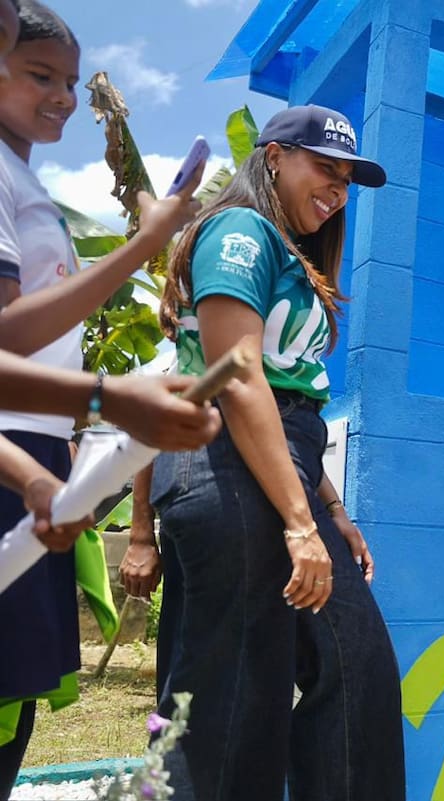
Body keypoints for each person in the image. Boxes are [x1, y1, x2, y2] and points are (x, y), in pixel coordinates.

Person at [152, 104, 403, 801]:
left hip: (272, 461)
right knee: (231, 703)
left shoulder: (294, 256)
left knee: (352, 672)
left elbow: (290, 406)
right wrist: (300, 522)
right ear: (272, 159)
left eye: (348, 179)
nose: (338, 189)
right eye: (325, 168)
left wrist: (329, 510)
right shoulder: (240, 229)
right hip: (225, 462)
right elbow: (238, 375)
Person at [0, 2, 217, 794]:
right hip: (13, 444)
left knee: (15, 698)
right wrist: (145, 245)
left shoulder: (24, 179)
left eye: (67, 80)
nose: (59, 97)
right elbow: (8, 338)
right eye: (37, 74)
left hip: (37, 449)